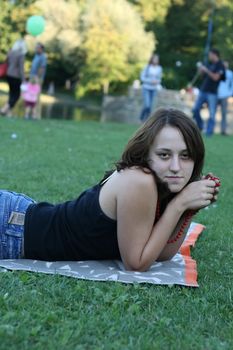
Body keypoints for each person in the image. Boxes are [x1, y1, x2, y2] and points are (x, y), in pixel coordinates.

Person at [0, 108, 219, 272]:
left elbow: (162, 254)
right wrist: (179, 205)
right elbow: (136, 264)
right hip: (11, 230)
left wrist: (187, 208)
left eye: (185, 155)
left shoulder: (155, 183)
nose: (175, 166)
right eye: (164, 155)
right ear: (147, 154)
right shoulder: (140, 180)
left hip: (17, 219)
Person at [193, 48, 225, 136]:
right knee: (195, 109)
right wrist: (201, 71)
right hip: (203, 90)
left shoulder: (220, 65)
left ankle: (209, 133)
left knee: (212, 113)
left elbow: (216, 78)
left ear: (215, 54)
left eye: (210, 55)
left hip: (212, 93)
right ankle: (200, 126)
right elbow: (203, 77)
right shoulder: (210, 65)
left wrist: (206, 70)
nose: (209, 56)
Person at [0, 39, 27, 117]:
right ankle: (4, 109)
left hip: (9, 74)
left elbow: (7, 62)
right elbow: (21, 68)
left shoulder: (10, 52)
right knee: (17, 95)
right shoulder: (21, 55)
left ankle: (7, 112)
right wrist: (23, 79)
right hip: (16, 76)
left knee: (11, 93)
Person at [139, 54, 162, 122]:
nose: (156, 60)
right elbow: (142, 78)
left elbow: (159, 79)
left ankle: (146, 121)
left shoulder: (159, 68)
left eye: (157, 59)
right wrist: (150, 81)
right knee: (147, 105)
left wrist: (157, 82)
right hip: (146, 88)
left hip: (154, 89)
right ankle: (142, 118)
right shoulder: (147, 67)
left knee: (150, 106)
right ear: (152, 59)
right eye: (154, 59)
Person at [217, 61, 233, 135]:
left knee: (224, 113)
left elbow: (232, 84)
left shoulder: (230, 73)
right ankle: (209, 130)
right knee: (212, 112)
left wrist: (229, 94)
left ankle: (223, 130)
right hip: (216, 94)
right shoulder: (218, 72)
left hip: (225, 95)